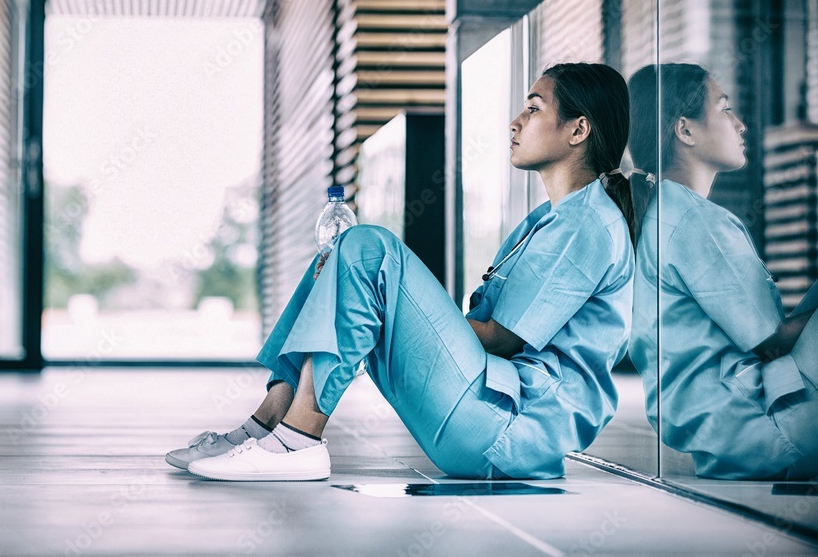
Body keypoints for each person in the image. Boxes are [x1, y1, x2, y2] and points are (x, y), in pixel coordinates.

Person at [167, 62, 637, 481]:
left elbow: (499, 337)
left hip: (508, 429)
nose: (515, 122)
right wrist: (355, 294)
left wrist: (397, 306)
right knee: (337, 262)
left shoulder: (588, 222)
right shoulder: (546, 220)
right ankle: (269, 423)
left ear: (578, 130)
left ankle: (298, 442)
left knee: (368, 248)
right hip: (487, 412)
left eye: (533, 109)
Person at [627, 63, 818, 480]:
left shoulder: (666, 212)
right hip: (771, 431)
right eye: (725, 108)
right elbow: (772, 343)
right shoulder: (694, 221)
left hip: (729, 438)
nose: (740, 124)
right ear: (685, 130)